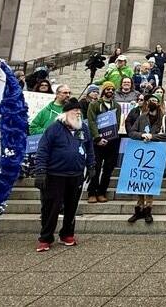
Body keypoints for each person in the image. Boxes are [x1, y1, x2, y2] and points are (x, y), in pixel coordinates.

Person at [34, 99, 94, 252]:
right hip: (55, 174)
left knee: (71, 207)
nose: (78, 113)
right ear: (66, 113)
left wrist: (91, 166)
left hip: (76, 174)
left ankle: (67, 233)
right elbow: (42, 150)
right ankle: (45, 237)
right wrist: (40, 171)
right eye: (75, 111)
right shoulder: (54, 128)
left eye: (79, 111)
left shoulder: (84, 129)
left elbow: (90, 148)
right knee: (51, 207)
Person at [125, 94, 166, 224]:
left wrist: (152, 136)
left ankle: (148, 209)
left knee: (150, 180)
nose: (153, 102)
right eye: (151, 100)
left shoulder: (164, 118)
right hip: (141, 153)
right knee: (140, 180)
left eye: (155, 101)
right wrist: (142, 135)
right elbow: (132, 133)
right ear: (147, 103)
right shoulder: (141, 118)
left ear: (159, 103)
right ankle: (138, 209)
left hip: (155, 153)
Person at [86, 81, 122, 203]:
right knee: (95, 167)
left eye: (112, 89)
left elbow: (115, 123)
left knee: (108, 168)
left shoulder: (117, 106)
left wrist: (110, 137)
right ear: (103, 91)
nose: (110, 91)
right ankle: (92, 192)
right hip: (97, 142)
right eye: (108, 89)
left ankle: (102, 192)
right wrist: (97, 138)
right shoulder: (94, 105)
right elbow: (91, 122)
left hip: (112, 142)